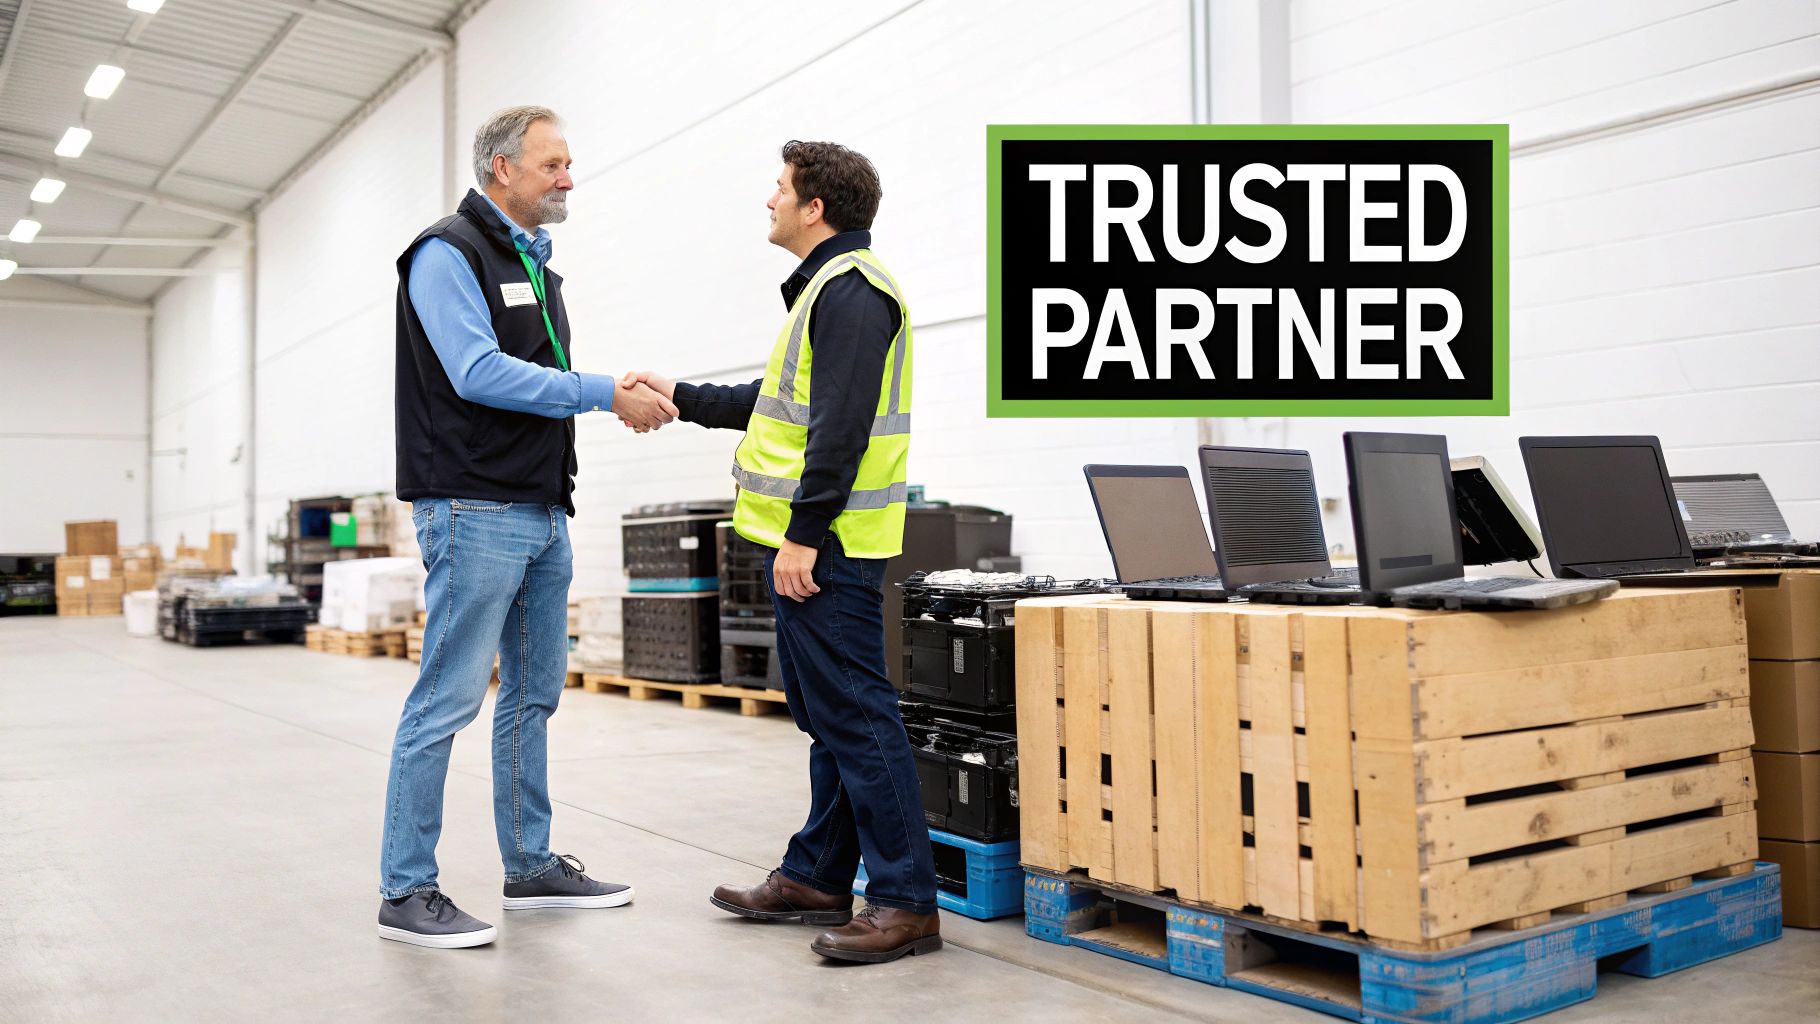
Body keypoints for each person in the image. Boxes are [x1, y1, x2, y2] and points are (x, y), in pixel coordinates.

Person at [621, 140, 938, 964]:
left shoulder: (854, 293)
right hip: (812, 546)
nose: (770, 201)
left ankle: (906, 902)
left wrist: (804, 533)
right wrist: (682, 396)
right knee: (831, 722)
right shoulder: (824, 295)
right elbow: (780, 408)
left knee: (860, 721)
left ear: (815, 208)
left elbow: (841, 429)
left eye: (780, 189)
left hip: (827, 550)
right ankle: (818, 876)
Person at [378, 105, 676, 949]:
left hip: (541, 508)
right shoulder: (447, 252)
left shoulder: (537, 269)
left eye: (569, 163)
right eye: (554, 164)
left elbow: (536, 374)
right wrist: (601, 391)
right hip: (472, 507)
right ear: (502, 168)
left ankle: (530, 865)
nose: (568, 179)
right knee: (448, 699)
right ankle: (405, 889)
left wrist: (611, 396)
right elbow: (475, 372)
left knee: (534, 696)